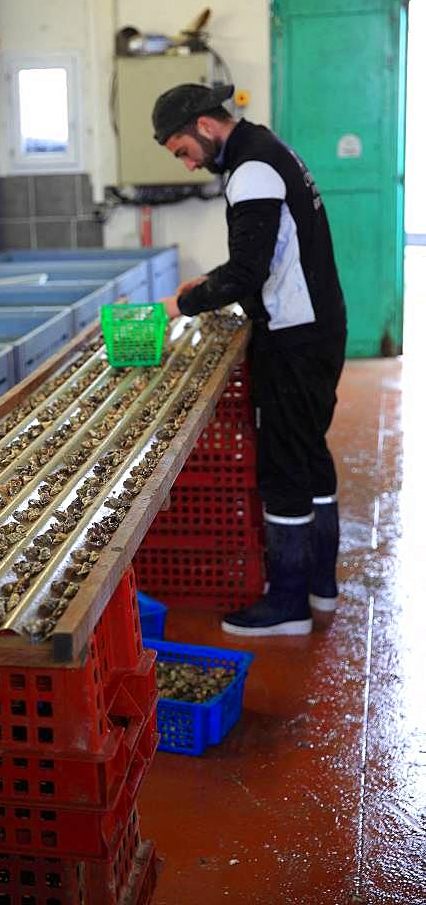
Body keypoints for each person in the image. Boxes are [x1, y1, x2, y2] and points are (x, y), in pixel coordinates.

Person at [152, 82, 347, 637]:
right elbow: (262, 254)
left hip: (293, 335)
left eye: (182, 151)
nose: (188, 164)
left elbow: (247, 273)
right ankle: (319, 587)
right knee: (308, 454)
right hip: (316, 326)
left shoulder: (251, 170)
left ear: (205, 127)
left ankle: (287, 604)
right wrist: (216, 280)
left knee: (284, 466)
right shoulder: (269, 149)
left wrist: (181, 303)